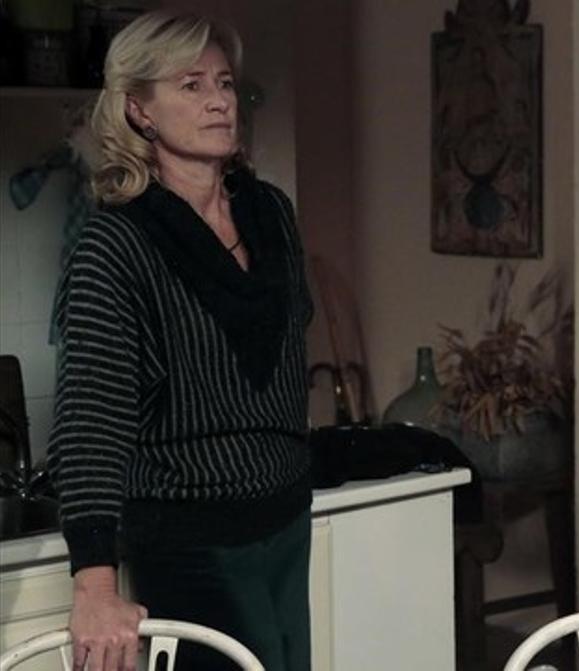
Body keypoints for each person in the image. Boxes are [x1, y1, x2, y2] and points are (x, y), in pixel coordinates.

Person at [47, 10, 313, 671]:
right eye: (191, 85)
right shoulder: (117, 243)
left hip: (286, 522)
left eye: (224, 82)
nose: (219, 100)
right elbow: (90, 419)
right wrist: (95, 589)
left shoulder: (271, 213)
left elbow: (278, 363)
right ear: (139, 110)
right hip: (192, 543)